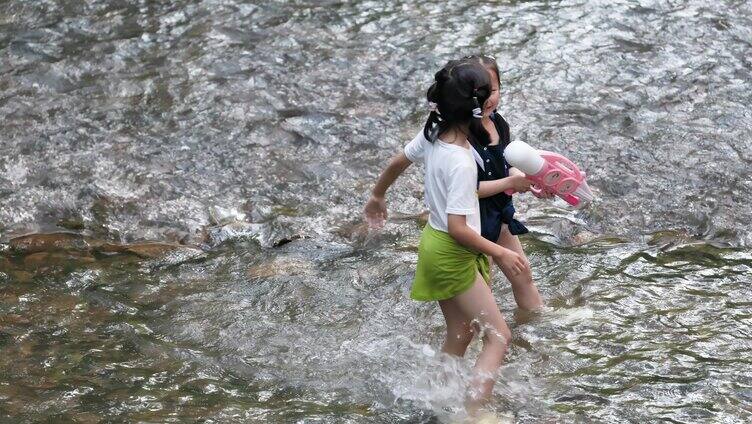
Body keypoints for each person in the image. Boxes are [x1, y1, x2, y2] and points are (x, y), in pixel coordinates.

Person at [364, 57, 527, 416]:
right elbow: (459, 227)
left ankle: (438, 397)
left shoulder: (434, 133)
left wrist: (377, 196)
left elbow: (396, 162)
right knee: (498, 337)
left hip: (436, 245)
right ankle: (473, 413)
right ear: (480, 106)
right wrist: (498, 253)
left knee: (461, 331)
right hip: (453, 250)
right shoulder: (462, 161)